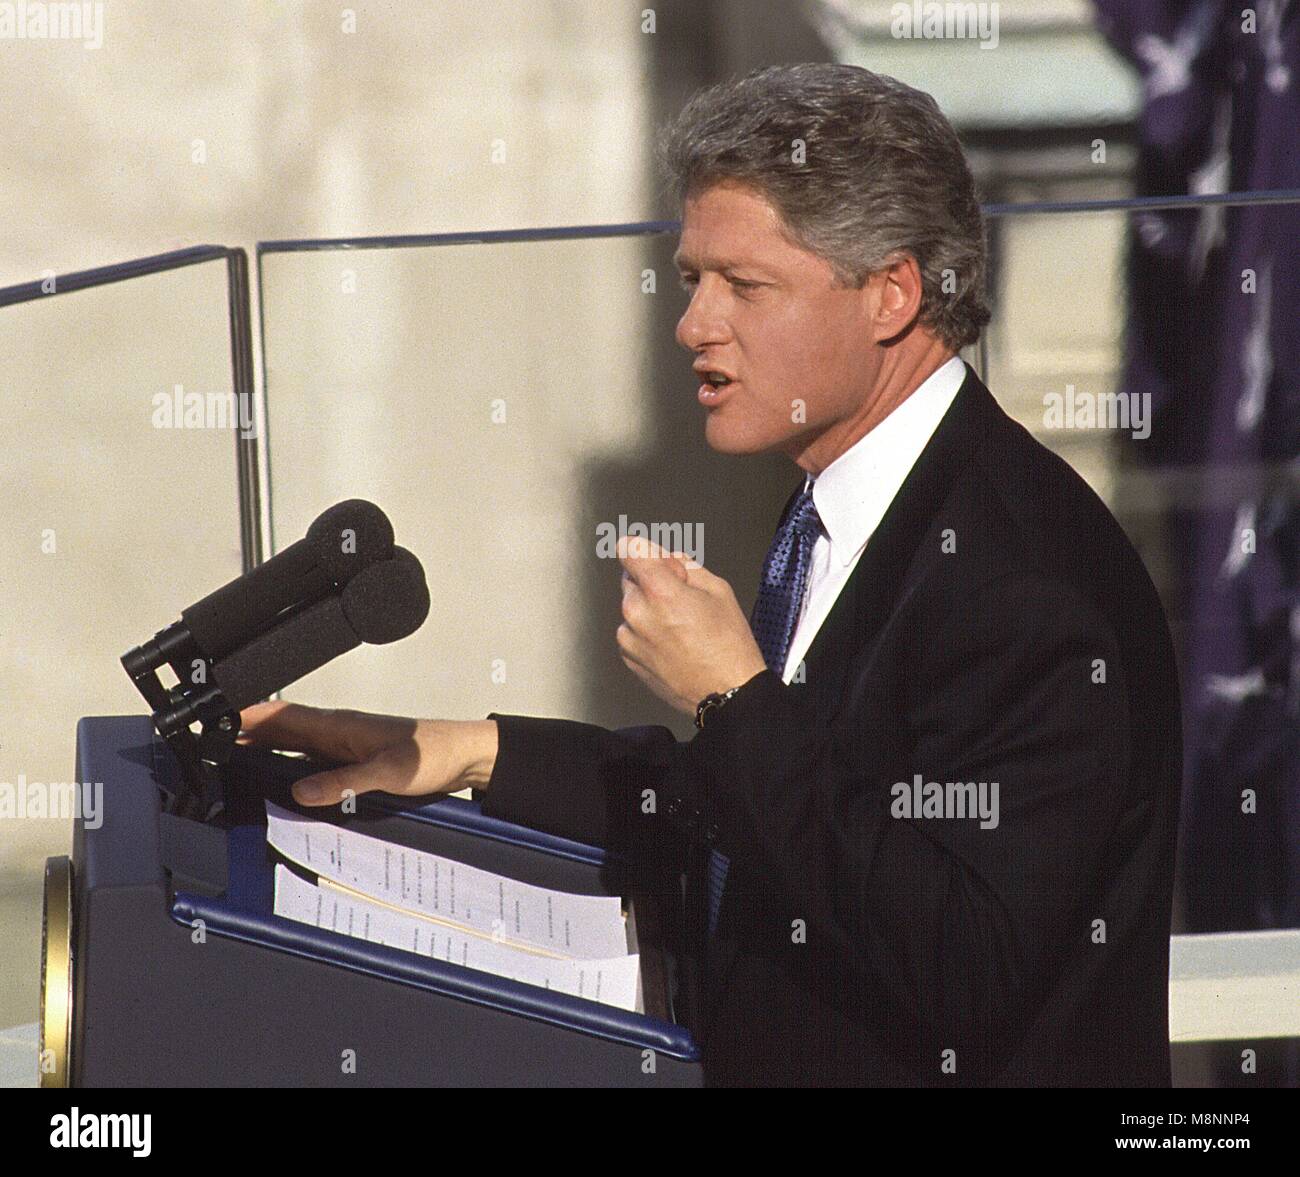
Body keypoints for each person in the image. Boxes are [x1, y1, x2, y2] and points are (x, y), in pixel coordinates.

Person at [240, 63, 1183, 1087]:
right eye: (692, 279)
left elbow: (965, 962)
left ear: (891, 293)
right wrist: (471, 753)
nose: (693, 325)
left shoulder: (1025, 585)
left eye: (745, 284)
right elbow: (769, 804)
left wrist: (731, 695)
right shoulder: (848, 498)